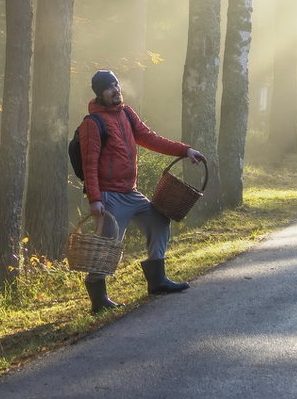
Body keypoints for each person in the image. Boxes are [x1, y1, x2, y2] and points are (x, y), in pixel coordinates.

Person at [77, 69, 206, 313]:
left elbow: (150, 138)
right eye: (109, 88)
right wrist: (95, 200)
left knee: (158, 221)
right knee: (107, 246)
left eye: (116, 85)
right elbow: (89, 164)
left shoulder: (126, 113)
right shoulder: (92, 124)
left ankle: (157, 281)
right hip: (109, 196)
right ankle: (99, 300)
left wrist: (185, 150)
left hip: (131, 192)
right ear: (100, 94)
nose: (116, 90)